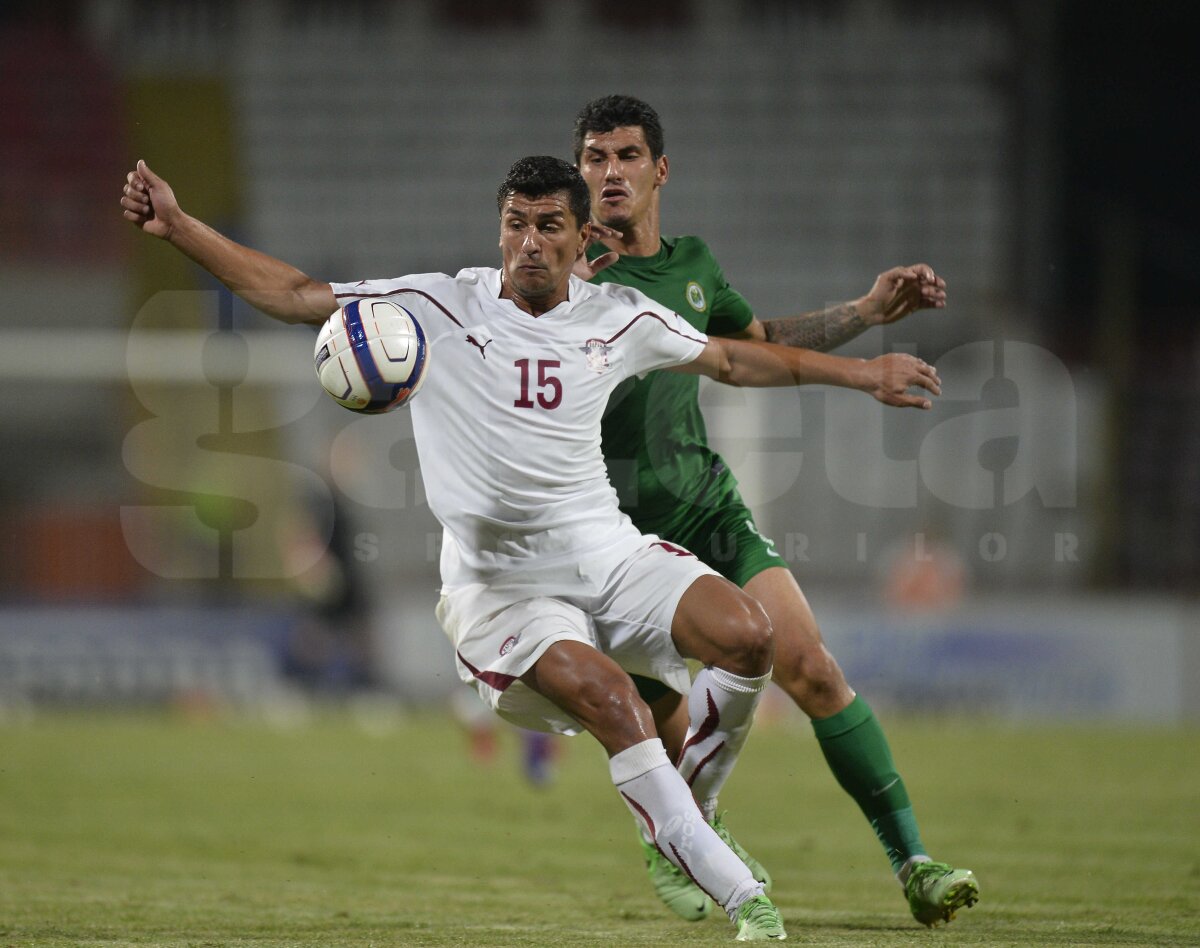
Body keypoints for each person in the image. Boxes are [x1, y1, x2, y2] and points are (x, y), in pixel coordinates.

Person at [121, 153, 941, 941]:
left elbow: (731, 356)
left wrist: (862, 374)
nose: (528, 242)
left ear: (583, 240)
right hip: (503, 591)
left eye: (549, 225)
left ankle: (685, 820)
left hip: (608, 556)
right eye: (515, 223)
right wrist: (182, 225)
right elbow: (299, 294)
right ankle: (735, 888)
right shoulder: (438, 304)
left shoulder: (620, 317)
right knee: (623, 707)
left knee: (749, 637)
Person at [570, 94, 979, 928]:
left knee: (814, 670)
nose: (610, 173)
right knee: (676, 737)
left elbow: (753, 344)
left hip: (705, 508)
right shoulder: (565, 271)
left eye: (627, 156)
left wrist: (864, 315)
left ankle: (915, 863)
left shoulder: (694, 264)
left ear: (660, 170)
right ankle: (694, 843)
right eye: (595, 158)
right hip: (608, 538)